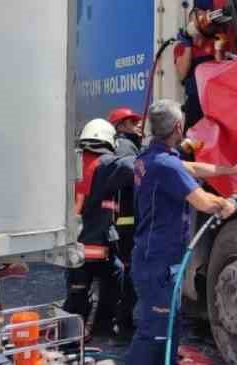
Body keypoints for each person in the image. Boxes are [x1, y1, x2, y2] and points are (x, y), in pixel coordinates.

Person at [125, 99, 237, 365]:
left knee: (168, 326)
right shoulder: (166, 166)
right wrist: (230, 202)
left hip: (155, 259)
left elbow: (192, 168)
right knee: (155, 332)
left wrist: (232, 170)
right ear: (179, 126)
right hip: (158, 262)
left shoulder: (151, 158)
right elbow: (204, 202)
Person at [64, 118, 135, 340]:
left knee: (78, 294)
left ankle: (72, 335)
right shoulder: (104, 164)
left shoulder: (72, 161)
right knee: (114, 279)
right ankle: (100, 327)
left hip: (72, 244)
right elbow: (129, 166)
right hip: (95, 246)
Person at [106, 107, 143, 337]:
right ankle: (124, 322)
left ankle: (117, 320)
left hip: (120, 220)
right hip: (127, 222)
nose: (138, 125)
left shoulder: (120, 146)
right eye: (131, 122)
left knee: (122, 271)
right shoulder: (126, 147)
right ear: (120, 126)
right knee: (129, 272)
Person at [174, 2, 226, 130]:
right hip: (194, 101)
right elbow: (182, 73)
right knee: (193, 140)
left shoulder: (216, 42)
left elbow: (222, 72)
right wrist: (188, 45)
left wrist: (219, 50)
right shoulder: (181, 48)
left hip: (214, 99)